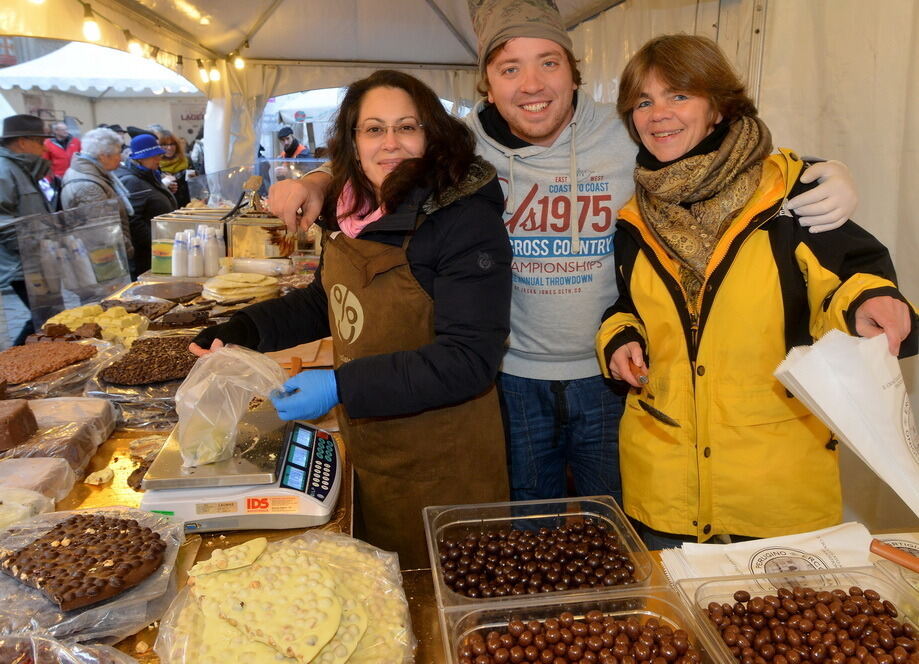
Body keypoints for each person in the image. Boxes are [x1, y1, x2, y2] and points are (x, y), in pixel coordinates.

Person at [265, 0, 859, 509]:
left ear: (574, 73)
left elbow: (716, 150)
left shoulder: (628, 132)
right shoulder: (465, 148)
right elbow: (392, 157)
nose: (531, 85)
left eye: (548, 63)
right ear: (487, 85)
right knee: (532, 533)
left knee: (622, 529)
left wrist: (814, 171)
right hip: (512, 378)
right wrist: (317, 181)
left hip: (620, 375)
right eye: (509, 68)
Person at [596, 34, 917, 550]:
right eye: (643, 101)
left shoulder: (789, 198)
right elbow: (628, 307)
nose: (659, 114)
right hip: (663, 488)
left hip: (773, 485)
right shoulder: (635, 218)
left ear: (718, 108)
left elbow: (848, 281)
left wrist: (867, 304)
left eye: (679, 95)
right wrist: (620, 339)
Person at [189, 70, 512, 567]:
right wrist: (245, 329)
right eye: (374, 129)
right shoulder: (357, 209)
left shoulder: (464, 220)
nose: (391, 143)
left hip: (445, 458)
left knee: (442, 592)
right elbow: (330, 300)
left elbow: (469, 360)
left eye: (407, 127)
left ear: (432, 135)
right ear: (354, 142)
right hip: (375, 445)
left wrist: (340, 385)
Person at [0, 114, 53, 345]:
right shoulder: (5, 170)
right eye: (40, 142)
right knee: (43, 319)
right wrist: (31, 246)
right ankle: (13, 368)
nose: (44, 148)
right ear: (22, 142)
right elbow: (3, 221)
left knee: (46, 317)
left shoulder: (21, 168)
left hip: (33, 259)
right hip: (20, 263)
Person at [60, 127, 135, 263]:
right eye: (118, 153)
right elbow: (103, 233)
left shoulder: (95, 174)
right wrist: (128, 252)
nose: (121, 157)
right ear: (103, 156)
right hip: (102, 260)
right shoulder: (88, 186)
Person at [115, 133, 177, 277]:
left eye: (159, 155)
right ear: (140, 159)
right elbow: (134, 220)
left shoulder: (150, 174)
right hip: (148, 254)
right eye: (153, 156)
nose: (158, 159)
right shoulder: (132, 180)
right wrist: (157, 243)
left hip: (160, 247)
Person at [157, 131, 190, 208]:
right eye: (165, 144)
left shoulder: (186, 160)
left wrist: (194, 177)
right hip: (166, 206)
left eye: (172, 144)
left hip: (187, 205)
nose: (169, 147)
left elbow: (195, 183)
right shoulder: (156, 164)